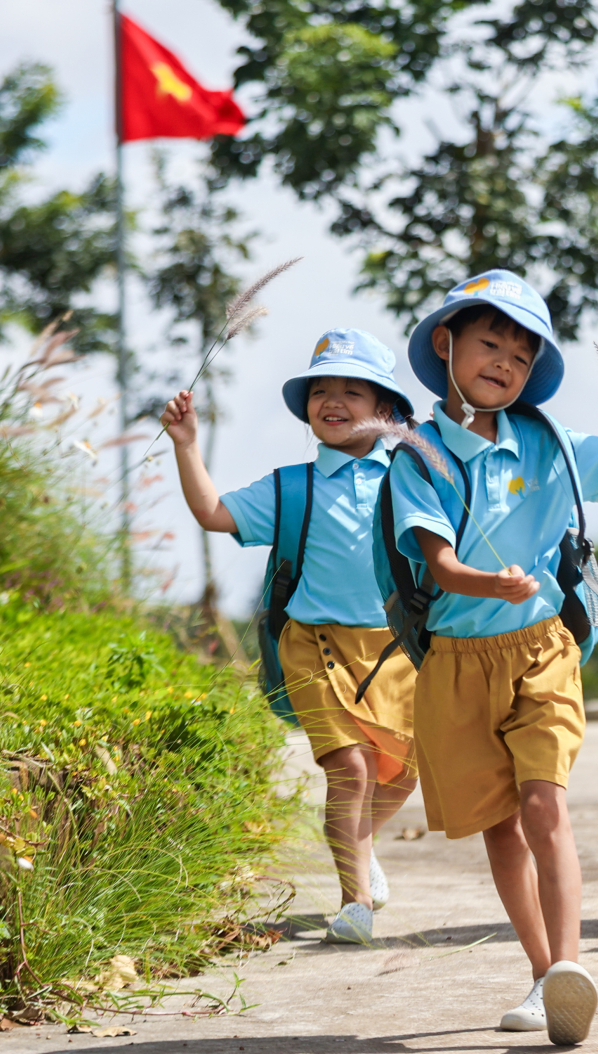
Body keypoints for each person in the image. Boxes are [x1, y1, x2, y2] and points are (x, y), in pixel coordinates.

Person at [384, 270, 598, 1046]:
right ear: (447, 344)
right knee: (498, 829)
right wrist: (488, 579)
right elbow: (443, 566)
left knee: (544, 804)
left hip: (541, 648)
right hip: (457, 659)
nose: (505, 363)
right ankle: (540, 972)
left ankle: (568, 970)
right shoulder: (417, 457)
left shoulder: (547, 440)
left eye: (522, 356)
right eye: (491, 343)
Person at [160, 328, 419, 946]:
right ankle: (353, 902)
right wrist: (186, 445)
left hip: (395, 649)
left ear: (384, 411)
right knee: (350, 770)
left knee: (404, 773)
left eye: (352, 391)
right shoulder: (291, 487)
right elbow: (214, 513)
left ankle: (362, 848)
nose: (333, 401)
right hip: (314, 646)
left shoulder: (411, 479)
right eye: (320, 390)